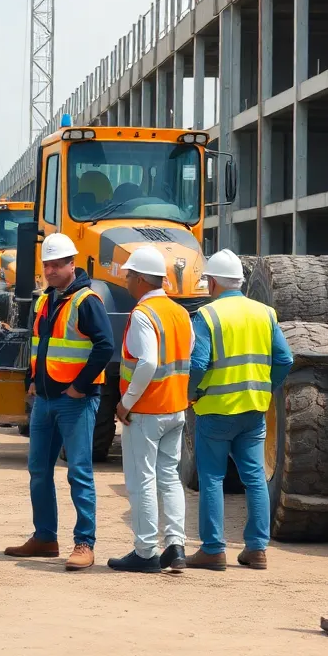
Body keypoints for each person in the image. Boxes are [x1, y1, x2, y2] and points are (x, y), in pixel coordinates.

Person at [5, 233, 114, 571]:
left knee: (78, 471)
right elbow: (37, 346)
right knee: (38, 470)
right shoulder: (44, 301)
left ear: (72, 264)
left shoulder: (86, 300)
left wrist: (80, 386)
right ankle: (45, 537)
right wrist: (32, 383)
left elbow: (105, 346)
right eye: (47, 265)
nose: (50, 270)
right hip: (46, 398)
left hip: (75, 401)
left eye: (57, 264)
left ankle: (85, 543)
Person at [186, 249, 293, 571]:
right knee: (255, 479)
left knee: (213, 479)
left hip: (215, 410)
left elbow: (198, 363)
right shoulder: (265, 314)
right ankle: (257, 548)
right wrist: (265, 389)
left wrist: (192, 394)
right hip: (253, 410)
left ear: (213, 282)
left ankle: (213, 549)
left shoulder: (208, 315)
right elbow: (284, 359)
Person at [107, 246, 193, 574]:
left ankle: (145, 552)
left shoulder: (144, 314)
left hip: (146, 410)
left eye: (130, 275)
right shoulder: (180, 313)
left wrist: (125, 402)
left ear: (142, 279)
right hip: (175, 407)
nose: (127, 280)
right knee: (169, 478)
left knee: (142, 479)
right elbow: (187, 355)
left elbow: (148, 362)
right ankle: (176, 546)